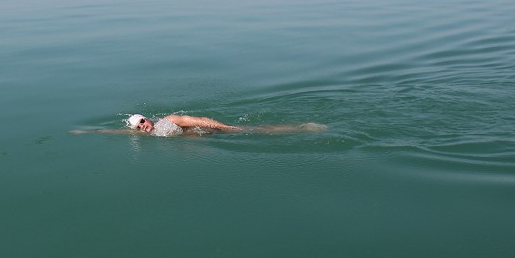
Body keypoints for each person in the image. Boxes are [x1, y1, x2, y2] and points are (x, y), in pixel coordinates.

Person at [71, 114, 326, 136]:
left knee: (255, 131)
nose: (143, 127)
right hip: (206, 139)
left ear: (147, 118)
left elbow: (200, 121)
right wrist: (85, 132)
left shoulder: (168, 120)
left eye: (143, 123)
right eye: (139, 128)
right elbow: (115, 132)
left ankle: (304, 127)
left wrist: (227, 128)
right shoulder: (149, 135)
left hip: (213, 132)